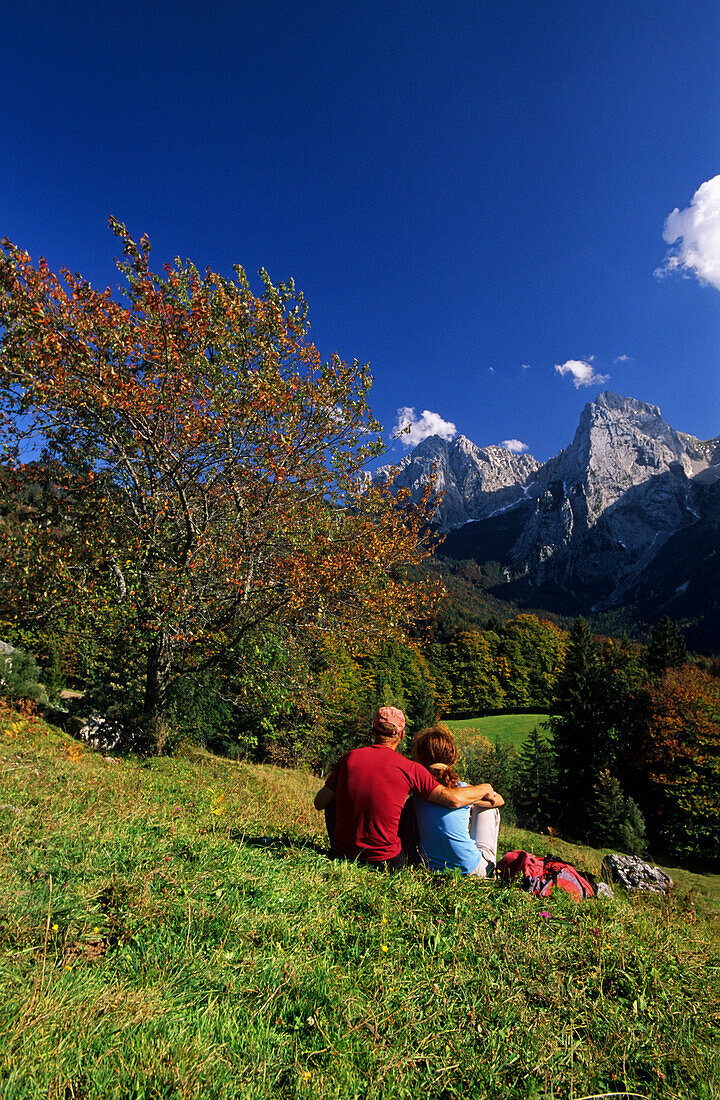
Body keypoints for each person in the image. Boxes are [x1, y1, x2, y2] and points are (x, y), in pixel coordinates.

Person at [313, 706, 501, 871]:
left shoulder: (348, 758)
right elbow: (452, 798)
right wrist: (483, 788)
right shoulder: (410, 769)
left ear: (373, 730)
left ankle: (340, 846)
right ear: (401, 735)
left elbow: (319, 802)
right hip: (386, 861)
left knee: (332, 798)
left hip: (342, 855)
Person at [411, 725, 504, 877]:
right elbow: (498, 800)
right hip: (470, 869)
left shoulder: (418, 792)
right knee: (490, 809)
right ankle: (490, 869)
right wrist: (478, 794)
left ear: (420, 757)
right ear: (452, 757)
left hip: (431, 868)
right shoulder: (460, 788)